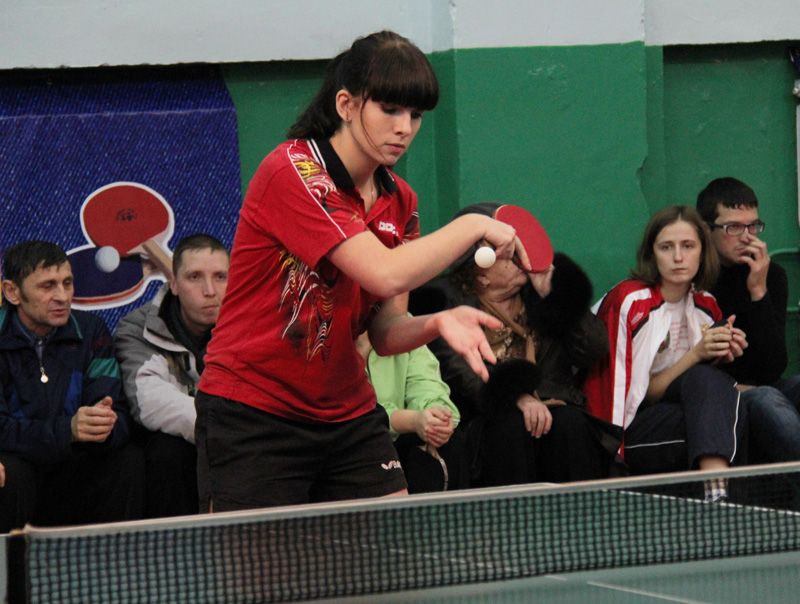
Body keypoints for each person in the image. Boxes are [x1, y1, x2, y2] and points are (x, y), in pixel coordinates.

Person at [195, 31, 529, 511]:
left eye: (415, 115)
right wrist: (473, 224)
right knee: (261, 562)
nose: (405, 128)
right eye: (390, 110)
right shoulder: (294, 171)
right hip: (255, 412)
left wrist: (438, 321)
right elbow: (384, 273)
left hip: (348, 414)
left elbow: (386, 332)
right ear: (347, 105)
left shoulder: (400, 201)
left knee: (384, 554)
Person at [412, 203, 614, 487]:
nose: (517, 256)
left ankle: (579, 514)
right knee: (510, 426)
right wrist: (514, 397)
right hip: (487, 416)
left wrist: (555, 294)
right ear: (480, 274)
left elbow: (595, 348)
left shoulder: (539, 292)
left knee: (571, 424)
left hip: (552, 406)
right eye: (504, 253)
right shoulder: (447, 303)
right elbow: (459, 372)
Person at [584, 206, 749, 499]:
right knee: (709, 386)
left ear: (703, 252)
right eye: (666, 247)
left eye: (688, 246)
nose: (678, 257)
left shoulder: (707, 305)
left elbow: (704, 393)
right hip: (627, 431)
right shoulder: (629, 301)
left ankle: (720, 494)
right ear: (652, 254)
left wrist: (723, 352)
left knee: (747, 403)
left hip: (681, 418)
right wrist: (697, 355)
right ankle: (717, 496)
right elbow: (632, 394)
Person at [0, 240, 143, 532]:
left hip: (72, 469)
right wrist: (68, 430)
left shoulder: (91, 331)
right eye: (47, 286)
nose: (62, 296)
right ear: (12, 292)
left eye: (67, 283)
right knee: (9, 474)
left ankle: (116, 557)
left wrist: (104, 426)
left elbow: (118, 412)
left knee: (127, 460)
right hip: (21, 469)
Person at [115, 234, 229, 517]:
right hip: (185, 451)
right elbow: (150, 402)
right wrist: (232, 430)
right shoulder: (136, 329)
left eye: (220, 277)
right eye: (194, 277)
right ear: (174, 284)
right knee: (167, 450)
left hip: (236, 446)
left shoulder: (249, 325)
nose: (210, 291)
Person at [697, 177, 800, 464]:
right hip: (721, 394)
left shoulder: (770, 275)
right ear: (706, 230)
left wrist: (758, 291)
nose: (747, 236)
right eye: (733, 227)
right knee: (767, 400)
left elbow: (773, 367)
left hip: (764, 384)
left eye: (753, 226)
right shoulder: (693, 276)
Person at [356, 331, 469, 492]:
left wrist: (435, 416)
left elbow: (427, 385)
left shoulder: (403, 327)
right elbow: (359, 414)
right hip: (354, 443)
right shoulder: (329, 334)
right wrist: (414, 420)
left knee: (448, 439)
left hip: (401, 437)